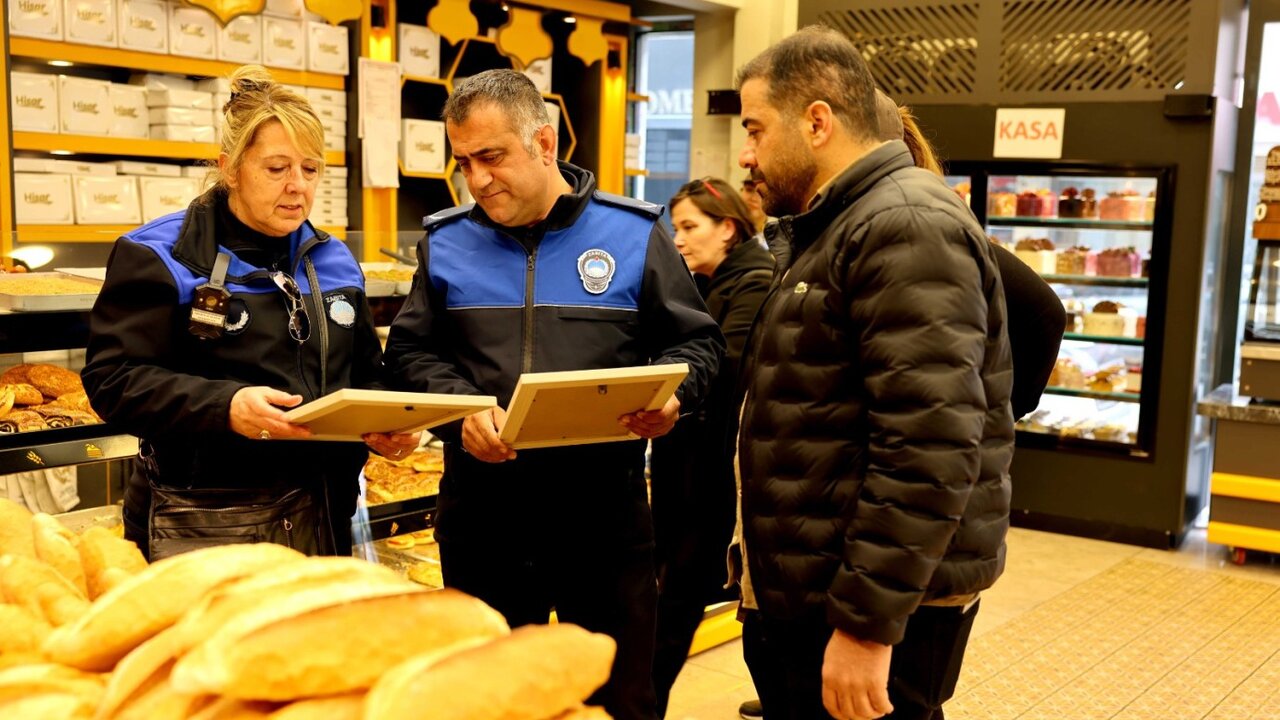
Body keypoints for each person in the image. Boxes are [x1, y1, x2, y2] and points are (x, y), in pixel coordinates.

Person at [382, 69, 724, 720]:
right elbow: (408, 353)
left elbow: (699, 343)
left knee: (618, 700)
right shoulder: (446, 242)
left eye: (491, 156)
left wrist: (675, 397)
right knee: (488, 705)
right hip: (483, 523)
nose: (477, 179)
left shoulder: (634, 234)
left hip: (604, 522)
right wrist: (461, 411)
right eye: (464, 162)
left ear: (543, 143)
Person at [732, 27, 1015, 720]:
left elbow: (929, 445)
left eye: (755, 129)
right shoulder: (842, 222)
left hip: (863, 607)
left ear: (817, 122)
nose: (746, 154)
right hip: (819, 586)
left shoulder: (904, 224)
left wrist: (866, 624)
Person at [82, 65, 413, 561]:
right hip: (202, 523)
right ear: (230, 169)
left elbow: (365, 372)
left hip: (325, 515)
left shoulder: (335, 260)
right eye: (277, 169)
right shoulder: (159, 255)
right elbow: (113, 379)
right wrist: (225, 406)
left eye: (310, 169)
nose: (297, 186)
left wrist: (388, 419)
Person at [650, 177, 774, 717]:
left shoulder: (755, 280)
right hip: (688, 467)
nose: (678, 238)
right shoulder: (702, 282)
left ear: (727, 228)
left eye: (689, 226)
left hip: (716, 477)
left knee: (678, 600)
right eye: (674, 227)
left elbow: (728, 366)